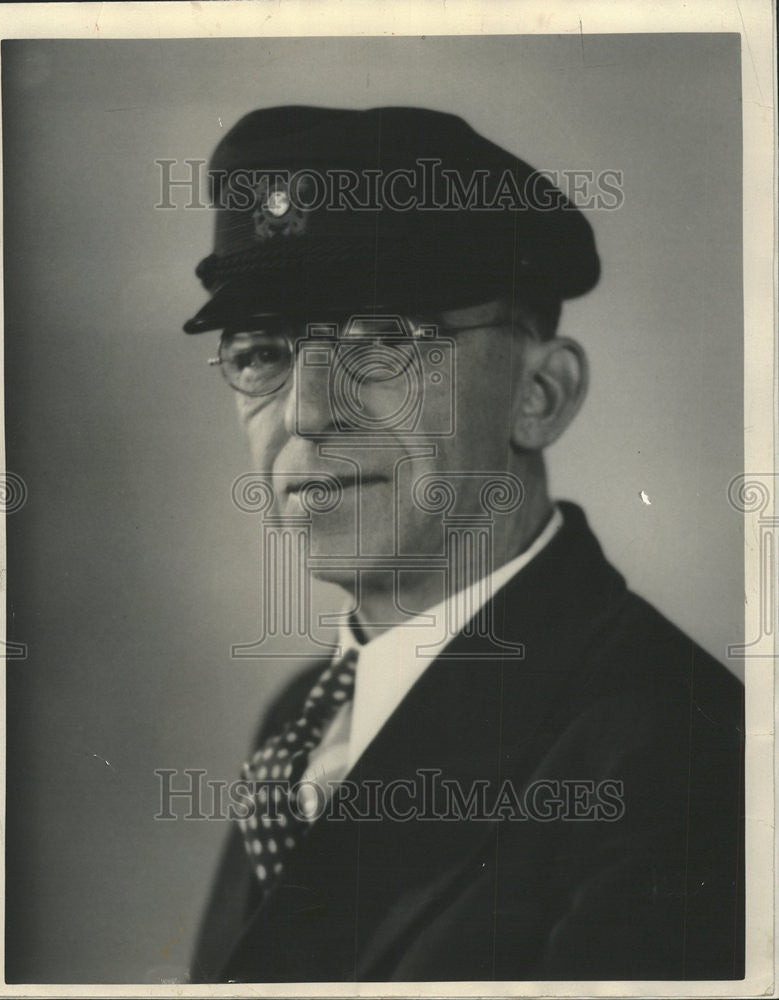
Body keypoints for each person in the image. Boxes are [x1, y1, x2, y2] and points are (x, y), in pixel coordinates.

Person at [182, 106, 744, 983]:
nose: (304, 412)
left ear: (541, 396)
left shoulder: (680, 765)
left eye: (379, 343)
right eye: (260, 353)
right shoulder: (299, 718)